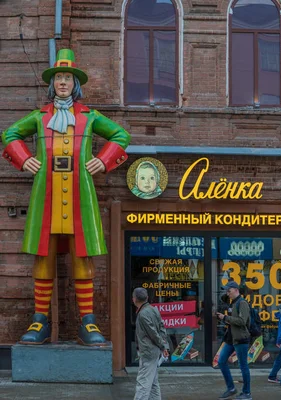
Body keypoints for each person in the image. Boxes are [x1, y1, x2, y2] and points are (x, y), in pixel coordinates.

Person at [1, 48, 130, 346]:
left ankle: (88, 323)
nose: (62, 82)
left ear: (75, 84)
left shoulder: (90, 116)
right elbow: (9, 135)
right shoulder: (38, 117)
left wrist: (104, 159)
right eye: (58, 77)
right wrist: (23, 159)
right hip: (45, 197)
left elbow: (121, 136)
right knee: (42, 257)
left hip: (79, 197)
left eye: (67, 78)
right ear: (52, 83)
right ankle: (40, 321)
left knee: (82, 257)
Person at [215, 281, 252, 400]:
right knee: (221, 362)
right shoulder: (233, 303)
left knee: (243, 366)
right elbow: (223, 298)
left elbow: (242, 321)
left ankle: (247, 393)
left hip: (240, 338)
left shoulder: (242, 303)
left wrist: (225, 318)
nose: (227, 293)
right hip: (231, 338)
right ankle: (231, 388)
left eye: (229, 291)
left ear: (236, 290)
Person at [132, 287, 169, 400]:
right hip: (154, 351)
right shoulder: (154, 309)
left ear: (134, 299)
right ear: (147, 297)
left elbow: (153, 333)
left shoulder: (142, 314)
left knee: (143, 383)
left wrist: (163, 346)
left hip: (148, 351)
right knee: (153, 383)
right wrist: (164, 346)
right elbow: (162, 328)